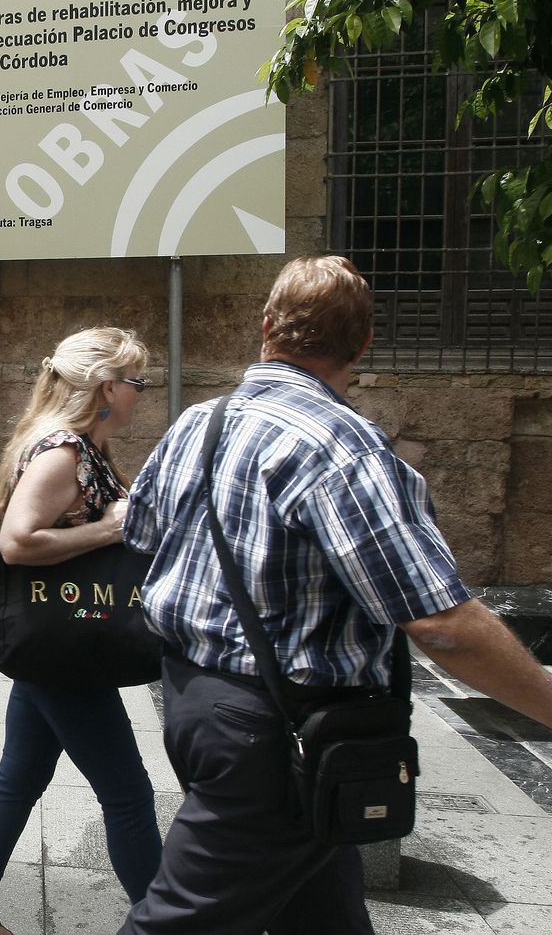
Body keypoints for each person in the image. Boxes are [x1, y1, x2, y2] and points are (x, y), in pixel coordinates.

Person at [117, 255, 552, 934]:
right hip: (279, 732)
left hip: (197, 704)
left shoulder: (197, 422)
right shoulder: (341, 446)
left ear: (267, 327)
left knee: (324, 911)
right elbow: (440, 623)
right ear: (365, 343)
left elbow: (142, 536)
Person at [0, 326, 163, 935]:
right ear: (103, 387)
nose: (139, 393)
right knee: (127, 794)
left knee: (19, 777)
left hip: (57, 641)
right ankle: (166, 922)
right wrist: (111, 530)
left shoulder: (77, 446)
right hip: (70, 646)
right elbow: (17, 543)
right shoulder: (61, 453)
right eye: (134, 382)